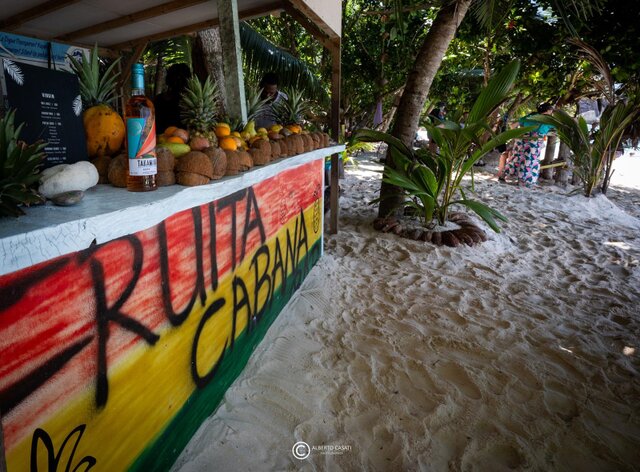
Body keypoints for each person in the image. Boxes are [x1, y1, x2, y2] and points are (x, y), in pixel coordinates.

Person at [502, 103, 555, 188]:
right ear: (548, 110)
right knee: (530, 160)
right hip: (534, 141)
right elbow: (559, 128)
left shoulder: (531, 115)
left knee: (516, 157)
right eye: (551, 110)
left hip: (521, 138)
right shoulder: (548, 119)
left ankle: (508, 175)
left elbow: (513, 125)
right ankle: (524, 182)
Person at [154, 63, 191, 133]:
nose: (178, 82)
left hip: (182, 137)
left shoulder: (158, 99)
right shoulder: (159, 100)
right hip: (163, 137)